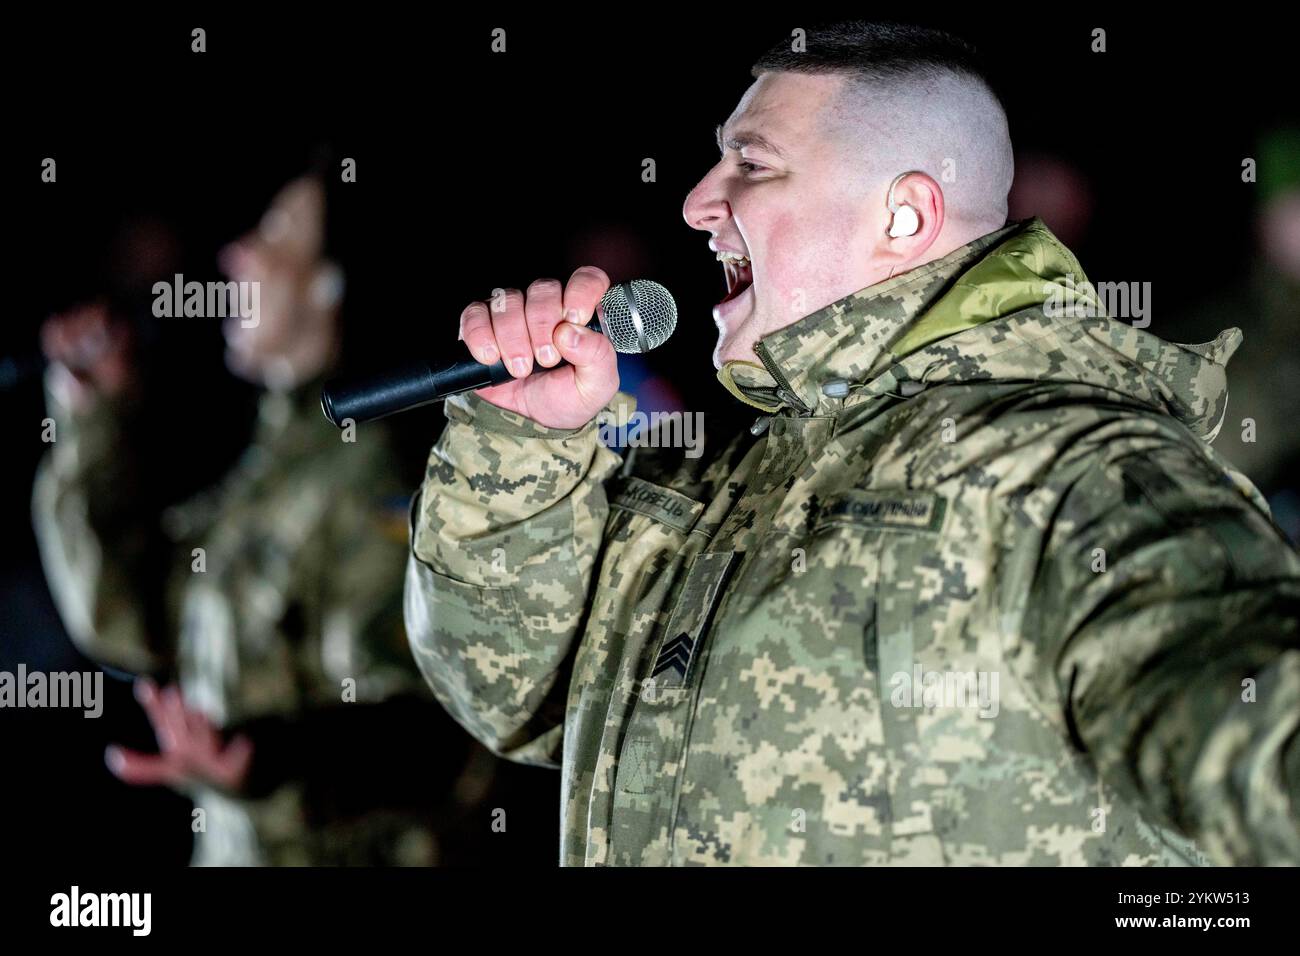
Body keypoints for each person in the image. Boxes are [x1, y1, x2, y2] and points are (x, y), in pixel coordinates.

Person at [403, 22, 1300, 865]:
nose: (694, 202)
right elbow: (512, 698)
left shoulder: (1067, 465)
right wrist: (522, 447)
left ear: (904, 217)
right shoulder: (728, 480)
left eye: (749, 161)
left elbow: (1257, 736)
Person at [34, 174, 475, 865]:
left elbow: (432, 735)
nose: (235, 256)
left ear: (329, 284)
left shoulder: (375, 474)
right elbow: (122, 619)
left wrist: (259, 766)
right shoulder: (267, 467)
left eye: (274, 236)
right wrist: (92, 422)